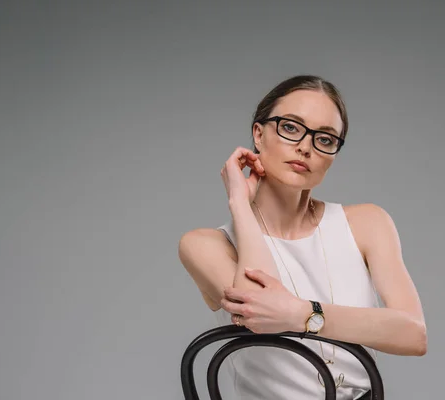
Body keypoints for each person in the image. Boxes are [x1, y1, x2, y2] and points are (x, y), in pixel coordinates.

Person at [178, 74, 427, 400]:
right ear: (259, 134)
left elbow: (414, 334)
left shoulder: (367, 223)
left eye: (324, 138)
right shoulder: (204, 245)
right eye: (290, 127)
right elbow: (258, 307)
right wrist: (241, 205)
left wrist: (304, 314)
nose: (305, 147)